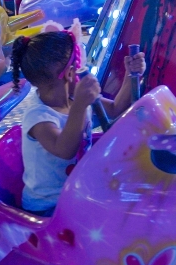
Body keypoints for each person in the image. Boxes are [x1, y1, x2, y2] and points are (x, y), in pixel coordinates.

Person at [10, 31, 145, 215]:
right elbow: (64, 150)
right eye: (79, 64)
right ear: (70, 73)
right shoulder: (38, 116)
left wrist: (131, 75)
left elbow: (115, 109)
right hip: (49, 206)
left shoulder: (73, 96)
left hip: (79, 189)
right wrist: (80, 105)